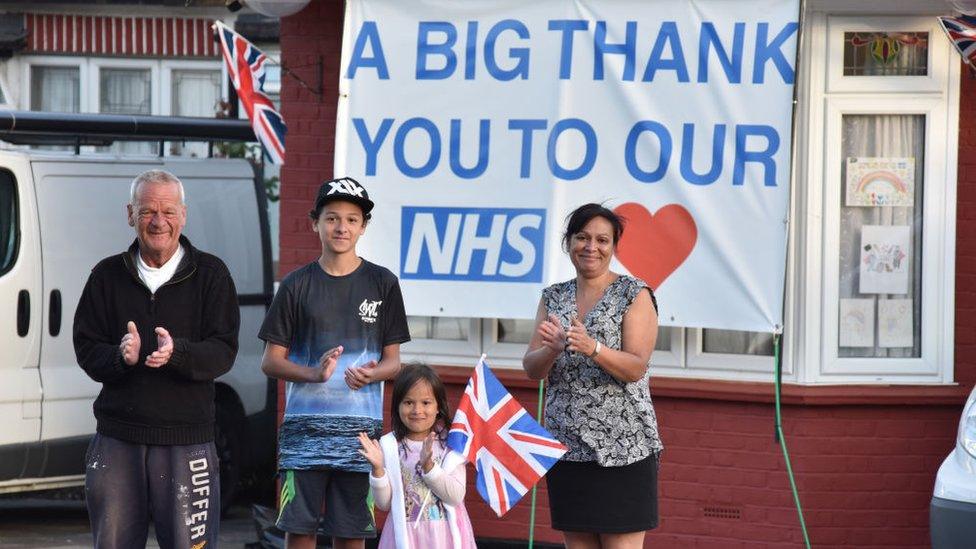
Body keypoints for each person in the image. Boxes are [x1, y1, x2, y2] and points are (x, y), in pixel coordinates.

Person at [73, 169, 240, 549]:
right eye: (148, 211)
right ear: (130, 214)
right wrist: (119, 357)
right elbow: (85, 347)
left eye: (167, 211)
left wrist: (177, 352)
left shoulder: (212, 275)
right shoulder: (106, 276)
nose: (158, 221)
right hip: (118, 439)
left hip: (188, 442)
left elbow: (224, 350)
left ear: (183, 214)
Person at [259, 176, 411, 549]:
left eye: (351, 219)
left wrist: (372, 373)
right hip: (303, 434)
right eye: (331, 218)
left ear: (363, 226)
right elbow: (270, 362)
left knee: (351, 533)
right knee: (300, 530)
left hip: (360, 436)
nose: (341, 227)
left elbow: (395, 363)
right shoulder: (296, 285)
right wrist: (313, 372)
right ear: (315, 222)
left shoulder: (382, 282)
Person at [522, 203, 663, 549]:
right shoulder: (553, 296)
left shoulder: (635, 294)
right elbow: (531, 368)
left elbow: (636, 367)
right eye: (582, 237)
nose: (591, 247)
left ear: (614, 246)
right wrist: (552, 349)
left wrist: (593, 348)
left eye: (602, 240)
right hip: (568, 449)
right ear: (568, 242)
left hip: (623, 449)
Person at [357, 363, 477, 549]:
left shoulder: (450, 444)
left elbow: (455, 496)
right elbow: (385, 503)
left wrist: (429, 467)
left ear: (439, 406)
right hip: (404, 538)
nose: (417, 410)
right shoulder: (389, 446)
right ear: (397, 406)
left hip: (444, 539)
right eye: (408, 402)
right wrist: (378, 469)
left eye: (426, 403)